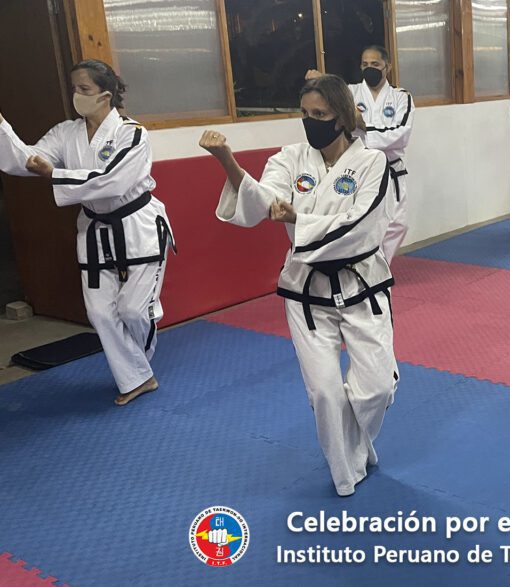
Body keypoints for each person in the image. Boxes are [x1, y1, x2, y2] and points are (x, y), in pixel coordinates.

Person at [202, 74, 398, 497]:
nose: (311, 122)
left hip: (361, 285)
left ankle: (360, 442)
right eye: (305, 114)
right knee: (325, 394)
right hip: (306, 290)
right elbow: (261, 203)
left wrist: (299, 219)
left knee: (376, 389)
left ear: (342, 117)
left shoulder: (372, 163)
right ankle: (345, 474)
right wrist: (226, 160)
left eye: (320, 114)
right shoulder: (290, 158)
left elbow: (361, 224)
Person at [0, 60, 175, 405]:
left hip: (138, 227)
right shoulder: (66, 133)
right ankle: (139, 378)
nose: (76, 95)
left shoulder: (131, 134)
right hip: (95, 230)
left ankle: (138, 366)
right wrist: (1, 127)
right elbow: (28, 160)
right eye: (74, 88)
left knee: (134, 311)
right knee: (99, 312)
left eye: (84, 89)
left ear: (105, 95)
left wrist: (55, 175)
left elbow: (113, 180)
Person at [308, 45, 415, 262]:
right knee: (359, 222)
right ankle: (364, 266)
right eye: (365, 64)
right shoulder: (351, 93)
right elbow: (333, 110)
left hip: (391, 168)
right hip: (358, 167)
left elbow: (400, 134)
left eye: (375, 64)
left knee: (397, 224)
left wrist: (363, 125)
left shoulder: (401, 97)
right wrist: (321, 81)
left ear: (387, 67)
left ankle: (380, 265)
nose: (369, 68)